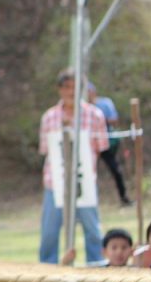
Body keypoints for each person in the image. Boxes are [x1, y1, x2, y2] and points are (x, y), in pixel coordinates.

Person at [38, 69, 109, 265]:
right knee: (49, 233)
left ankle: (95, 268)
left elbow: (100, 148)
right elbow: (46, 150)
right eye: (67, 87)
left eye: (75, 87)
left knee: (92, 231)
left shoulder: (95, 115)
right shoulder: (49, 117)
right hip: (55, 183)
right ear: (59, 89)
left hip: (84, 182)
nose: (71, 92)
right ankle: (47, 271)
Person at [86, 82, 132, 206]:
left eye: (89, 91)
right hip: (88, 145)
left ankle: (124, 197)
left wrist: (100, 120)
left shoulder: (105, 103)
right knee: (87, 173)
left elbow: (114, 119)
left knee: (115, 170)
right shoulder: (81, 108)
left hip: (106, 142)